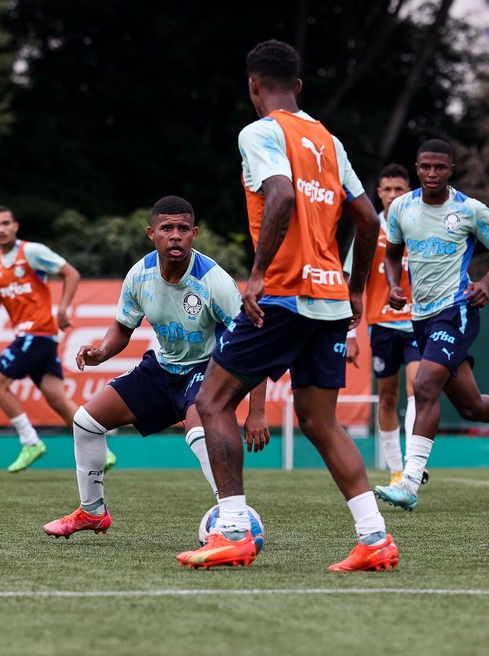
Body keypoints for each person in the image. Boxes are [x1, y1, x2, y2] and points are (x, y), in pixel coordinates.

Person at [177, 39, 399, 572]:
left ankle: (232, 531)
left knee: (211, 402)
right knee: (321, 421)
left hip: (282, 293)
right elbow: (368, 220)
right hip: (327, 298)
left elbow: (279, 196)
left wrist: (256, 278)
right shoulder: (328, 139)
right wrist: (353, 287)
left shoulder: (259, 132)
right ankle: (375, 539)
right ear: (298, 86)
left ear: (254, 85)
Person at [42, 196, 268, 538]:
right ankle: (92, 512)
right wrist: (102, 352)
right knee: (86, 422)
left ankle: (231, 517)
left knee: (199, 431)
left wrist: (257, 412)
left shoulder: (214, 281)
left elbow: (253, 344)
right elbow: (123, 325)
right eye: (166, 228)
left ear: (194, 234)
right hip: (163, 369)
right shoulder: (140, 275)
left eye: (182, 229)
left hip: (208, 368)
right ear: (152, 234)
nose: (174, 235)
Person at [373, 138, 489, 512]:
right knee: (470, 407)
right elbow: (390, 255)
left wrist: (485, 283)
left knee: (423, 384)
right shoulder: (401, 208)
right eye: (425, 167)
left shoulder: (470, 210)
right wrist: (391, 285)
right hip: (420, 317)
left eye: (439, 167)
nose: (431, 173)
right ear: (416, 168)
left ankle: (409, 481)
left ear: (451, 169)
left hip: (456, 310)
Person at [0, 206, 117, 473]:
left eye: (6, 223)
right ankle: (102, 452)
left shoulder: (32, 252)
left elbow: (71, 273)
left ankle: (30, 441)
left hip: (36, 333)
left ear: (15, 226)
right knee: (57, 398)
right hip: (33, 337)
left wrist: (62, 309)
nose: (1, 229)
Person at [344, 163, 428, 487]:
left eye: (399, 190)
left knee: (417, 389)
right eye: (388, 190)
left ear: (409, 192)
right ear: (378, 193)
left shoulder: (420, 227)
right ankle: (395, 468)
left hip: (416, 322)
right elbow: (352, 285)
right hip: (381, 325)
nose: (393, 195)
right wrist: (351, 334)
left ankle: (412, 467)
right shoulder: (368, 230)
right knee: (389, 398)